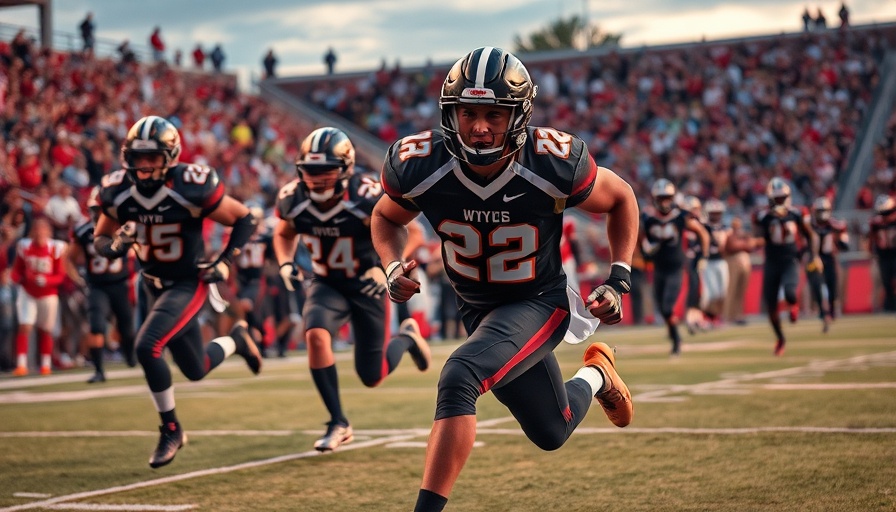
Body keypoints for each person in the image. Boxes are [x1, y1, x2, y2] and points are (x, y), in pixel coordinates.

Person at [371, 47, 638, 512]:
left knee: (460, 374)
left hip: (540, 300)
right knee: (553, 429)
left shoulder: (552, 161)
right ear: (449, 113)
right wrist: (392, 266)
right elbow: (385, 216)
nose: (479, 126)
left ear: (517, 114)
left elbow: (622, 198)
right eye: (468, 112)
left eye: (494, 114)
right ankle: (597, 374)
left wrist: (618, 280)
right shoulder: (420, 163)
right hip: (478, 309)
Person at [93, 115, 262, 468]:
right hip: (151, 283)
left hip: (189, 282)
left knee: (146, 345)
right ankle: (237, 340)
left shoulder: (191, 184)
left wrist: (226, 260)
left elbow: (245, 218)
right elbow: (101, 240)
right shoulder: (117, 189)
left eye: (152, 157)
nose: (144, 165)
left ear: (170, 156)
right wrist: (116, 246)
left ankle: (171, 429)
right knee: (196, 368)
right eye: (138, 157)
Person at [273, 127, 432, 452]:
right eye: (310, 171)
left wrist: (387, 266)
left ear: (345, 167)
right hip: (327, 282)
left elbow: (413, 233)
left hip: (367, 284)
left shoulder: (365, 194)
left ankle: (406, 338)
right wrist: (285, 263)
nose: (316, 179)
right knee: (315, 334)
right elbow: (283, 232)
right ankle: (338, 422)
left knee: (372, 376)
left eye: (325, 170)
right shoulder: (294, 198)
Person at [69, 187, 136, 383]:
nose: (98, 214)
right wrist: (78, 279)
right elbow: (68, 258)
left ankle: (131, 357)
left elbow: (141, 249)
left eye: (102, 209)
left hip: (120, 284)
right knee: (96, 325)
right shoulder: (83, 231)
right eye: (96, 209)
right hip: (97, 286)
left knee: (127, 330)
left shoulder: (124, 227)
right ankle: (99, 370)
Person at [752, 178, 821, 356]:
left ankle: (794, 305)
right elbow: (757, 236)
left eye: (782, 198)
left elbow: (811, 235)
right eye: (777, 199)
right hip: (771, 262)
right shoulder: (763, 217)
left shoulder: (797, 214)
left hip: (790, 259)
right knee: (771, 308)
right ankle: (780, 338)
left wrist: (813, 256)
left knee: (790, 293)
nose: (780, 202)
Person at [640, 179, 709, 355]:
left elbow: (702, 233)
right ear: (655, 198)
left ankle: (676, 340)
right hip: (658, 268)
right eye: (661, 198)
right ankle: (674, 336)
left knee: (668, 307)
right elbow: (638, 235)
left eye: (667, 197)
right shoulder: (648, 218)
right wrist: (645, 251)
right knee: (662, 308)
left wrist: (703, 254)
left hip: (676, 268)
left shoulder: (680, 217)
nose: (664, 202)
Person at [10, 217, 68, 376]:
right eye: (37, 229)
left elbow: (61, 275)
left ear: (48, 231)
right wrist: (15, 279)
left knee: (46, 330)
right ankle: (21, 364)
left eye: (43, 229)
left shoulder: (56, 248)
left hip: (48, 294)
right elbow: (17, 270)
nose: (39, 232)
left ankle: (45, 364)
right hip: (28, 292)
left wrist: (47, 280)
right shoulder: (24, 246)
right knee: (25, 326)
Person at [807, 197, 848, 331]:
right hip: (814, 258)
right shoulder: (809, 224)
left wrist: (841, 239)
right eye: (820, 210)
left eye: (824, 210)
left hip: (829, 258)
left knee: (832, 285)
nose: (822, 213)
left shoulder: (835, 225)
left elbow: (844, 245)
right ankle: (822, 312)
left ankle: (831, 311)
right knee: (817, 284)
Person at [701, 198, 731, 324]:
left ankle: (717, 316)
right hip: (708, 262)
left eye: (718, 212)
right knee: (712, 292)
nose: (716, 215)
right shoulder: (704, 227)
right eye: (713, 213)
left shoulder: (725, 227)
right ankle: (709, 316)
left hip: (721, 261)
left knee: (723, 291)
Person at [869, 194, 896, 312]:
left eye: (887, 213)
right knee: (886, 281)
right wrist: (872, 253)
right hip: (883, 256)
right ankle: (889, 306)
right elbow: (872, 239)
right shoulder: (876, 224)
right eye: (882, 213)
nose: (885, 217)